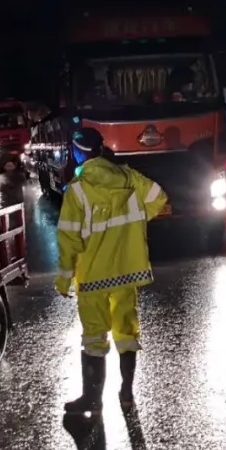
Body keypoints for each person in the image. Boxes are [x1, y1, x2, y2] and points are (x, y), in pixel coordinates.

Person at [55, 127, 168, 413]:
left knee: (94, 336)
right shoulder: (129, 177)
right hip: (127, 273)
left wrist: (64, 278)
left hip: (92, 276)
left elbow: (69, 239)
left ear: (78, 151)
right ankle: (127, 393)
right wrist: (137, 221)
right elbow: (159, 198)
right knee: (126, 333)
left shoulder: (77, 190)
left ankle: (92, 399)